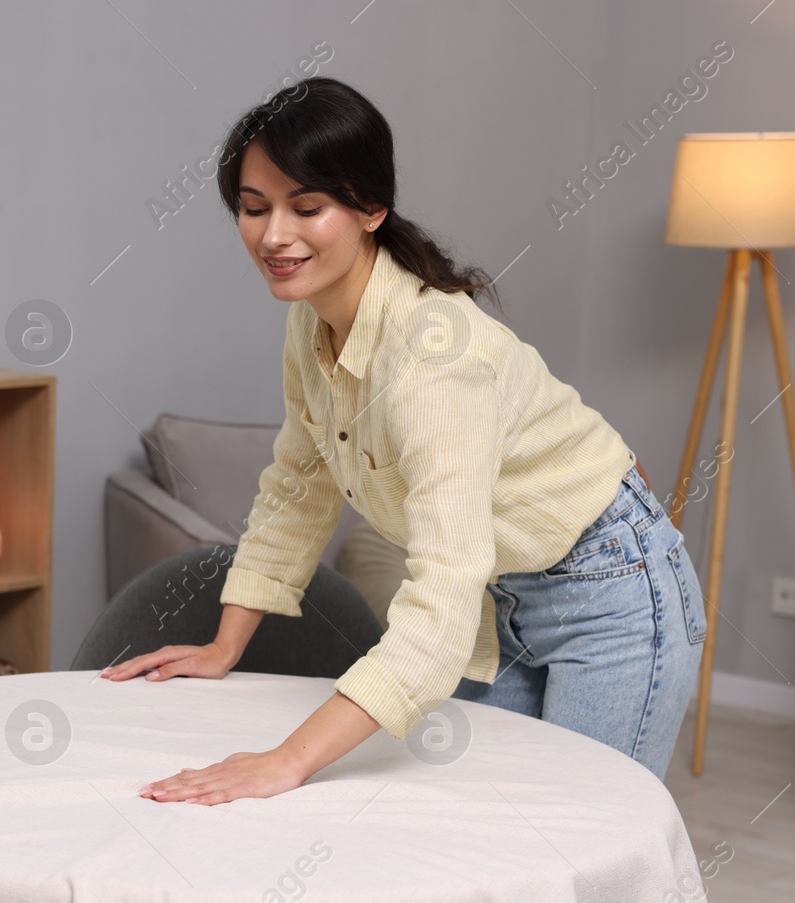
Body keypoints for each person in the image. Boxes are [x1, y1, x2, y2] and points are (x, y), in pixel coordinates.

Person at [102, 77, 707, 804]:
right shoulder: (312, 319)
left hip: (610, 586)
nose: (273, 236)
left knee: (586, 832)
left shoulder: (431, 355)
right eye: (254, 208)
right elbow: (300, 484)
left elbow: (439, 598)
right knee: (482, 821)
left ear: (371, 208)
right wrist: (226, 645)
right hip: (506, 587)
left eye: (307, 207)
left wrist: (287, 760)